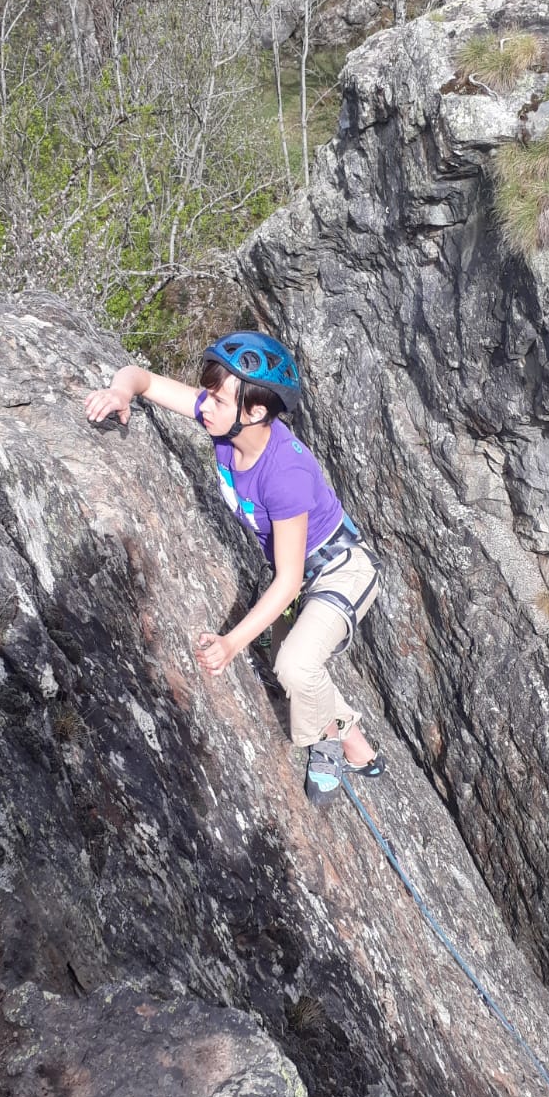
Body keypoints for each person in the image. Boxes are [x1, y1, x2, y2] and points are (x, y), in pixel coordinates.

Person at [84, 331, 383, 806]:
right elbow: (143, 380)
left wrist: (229, 644)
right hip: (303, 571)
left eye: (219, 399)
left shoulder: (283, 473)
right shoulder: (224, 422)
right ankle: (352, 737)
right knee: (282, 655)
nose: (205, 407)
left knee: (294, 663)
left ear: (256, 411)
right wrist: (120, 391)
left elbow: (286, 582)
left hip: (340, 569)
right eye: (209, 394)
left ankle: (326, 742)